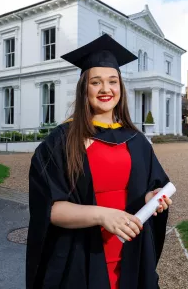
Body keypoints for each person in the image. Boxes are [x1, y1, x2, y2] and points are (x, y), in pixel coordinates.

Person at [26, 34, 173, 289]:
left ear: (120, 88)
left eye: (112, 81)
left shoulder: (136, 141)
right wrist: (102, 215)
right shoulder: (63, 140)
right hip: (81, 260)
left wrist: (151, 198)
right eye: (96, 82)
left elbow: (148, 188)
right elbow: (49, 209)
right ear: (85, 88)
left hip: (130, 257)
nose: (106, 89)